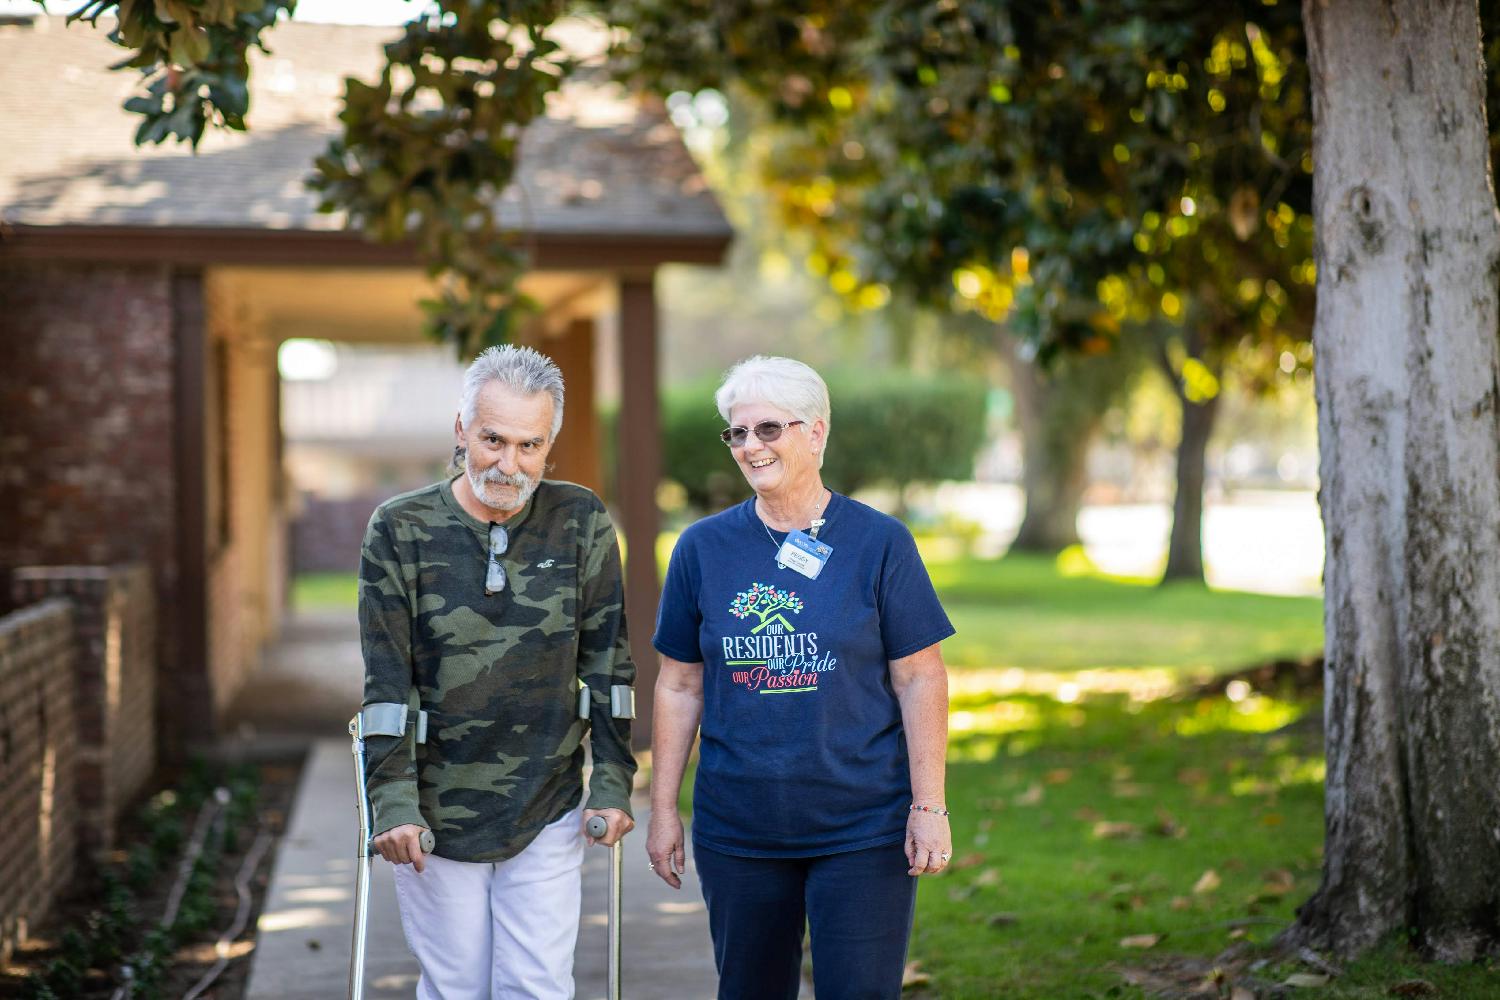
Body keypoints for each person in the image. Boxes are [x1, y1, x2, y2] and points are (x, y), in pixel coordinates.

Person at [646, 355, 954, 1000]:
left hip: (863, 825)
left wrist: (929, 805)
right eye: (737, 433)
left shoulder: (880, 542)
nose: (750, 447)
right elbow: (679, 684)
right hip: (740, 828)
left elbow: (921, 678)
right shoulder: (701, 550)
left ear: (816, 433)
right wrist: (663, 810)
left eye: (768, 429)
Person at [358, 344, 636, 1000]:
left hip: (548, 800)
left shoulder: (581, 521)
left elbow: (609, 666)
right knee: (455, 985)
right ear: (461, 430)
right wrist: (392, 802)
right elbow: (386, 682)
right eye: (492, 440)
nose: (509, 464)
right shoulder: (401, 529)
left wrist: (614, 782)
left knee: (536, 985)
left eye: (529, 446)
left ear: (550, 444)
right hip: (434, 806)